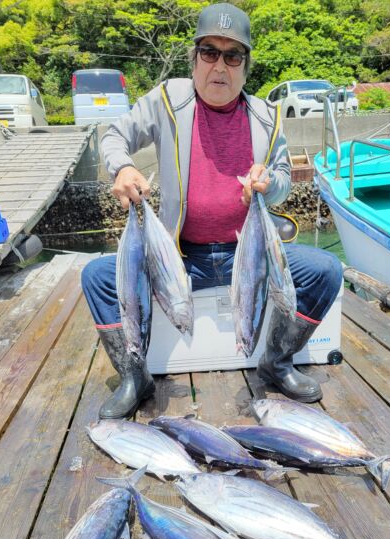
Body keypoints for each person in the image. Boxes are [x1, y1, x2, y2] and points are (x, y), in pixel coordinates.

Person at [81, 2, 342, 420]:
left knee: (326, 270)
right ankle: (135, 374)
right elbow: (114, 136)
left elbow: (282, 181)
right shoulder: (167, 99)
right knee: (96, 277)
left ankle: (276, 361)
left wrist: (268, 184)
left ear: (245, 67)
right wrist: (123, 167)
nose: (220, 66)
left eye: (233, 55)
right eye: (209, 52)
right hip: (181, 257)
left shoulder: (267, 116)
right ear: (195, 59)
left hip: (251, 255)